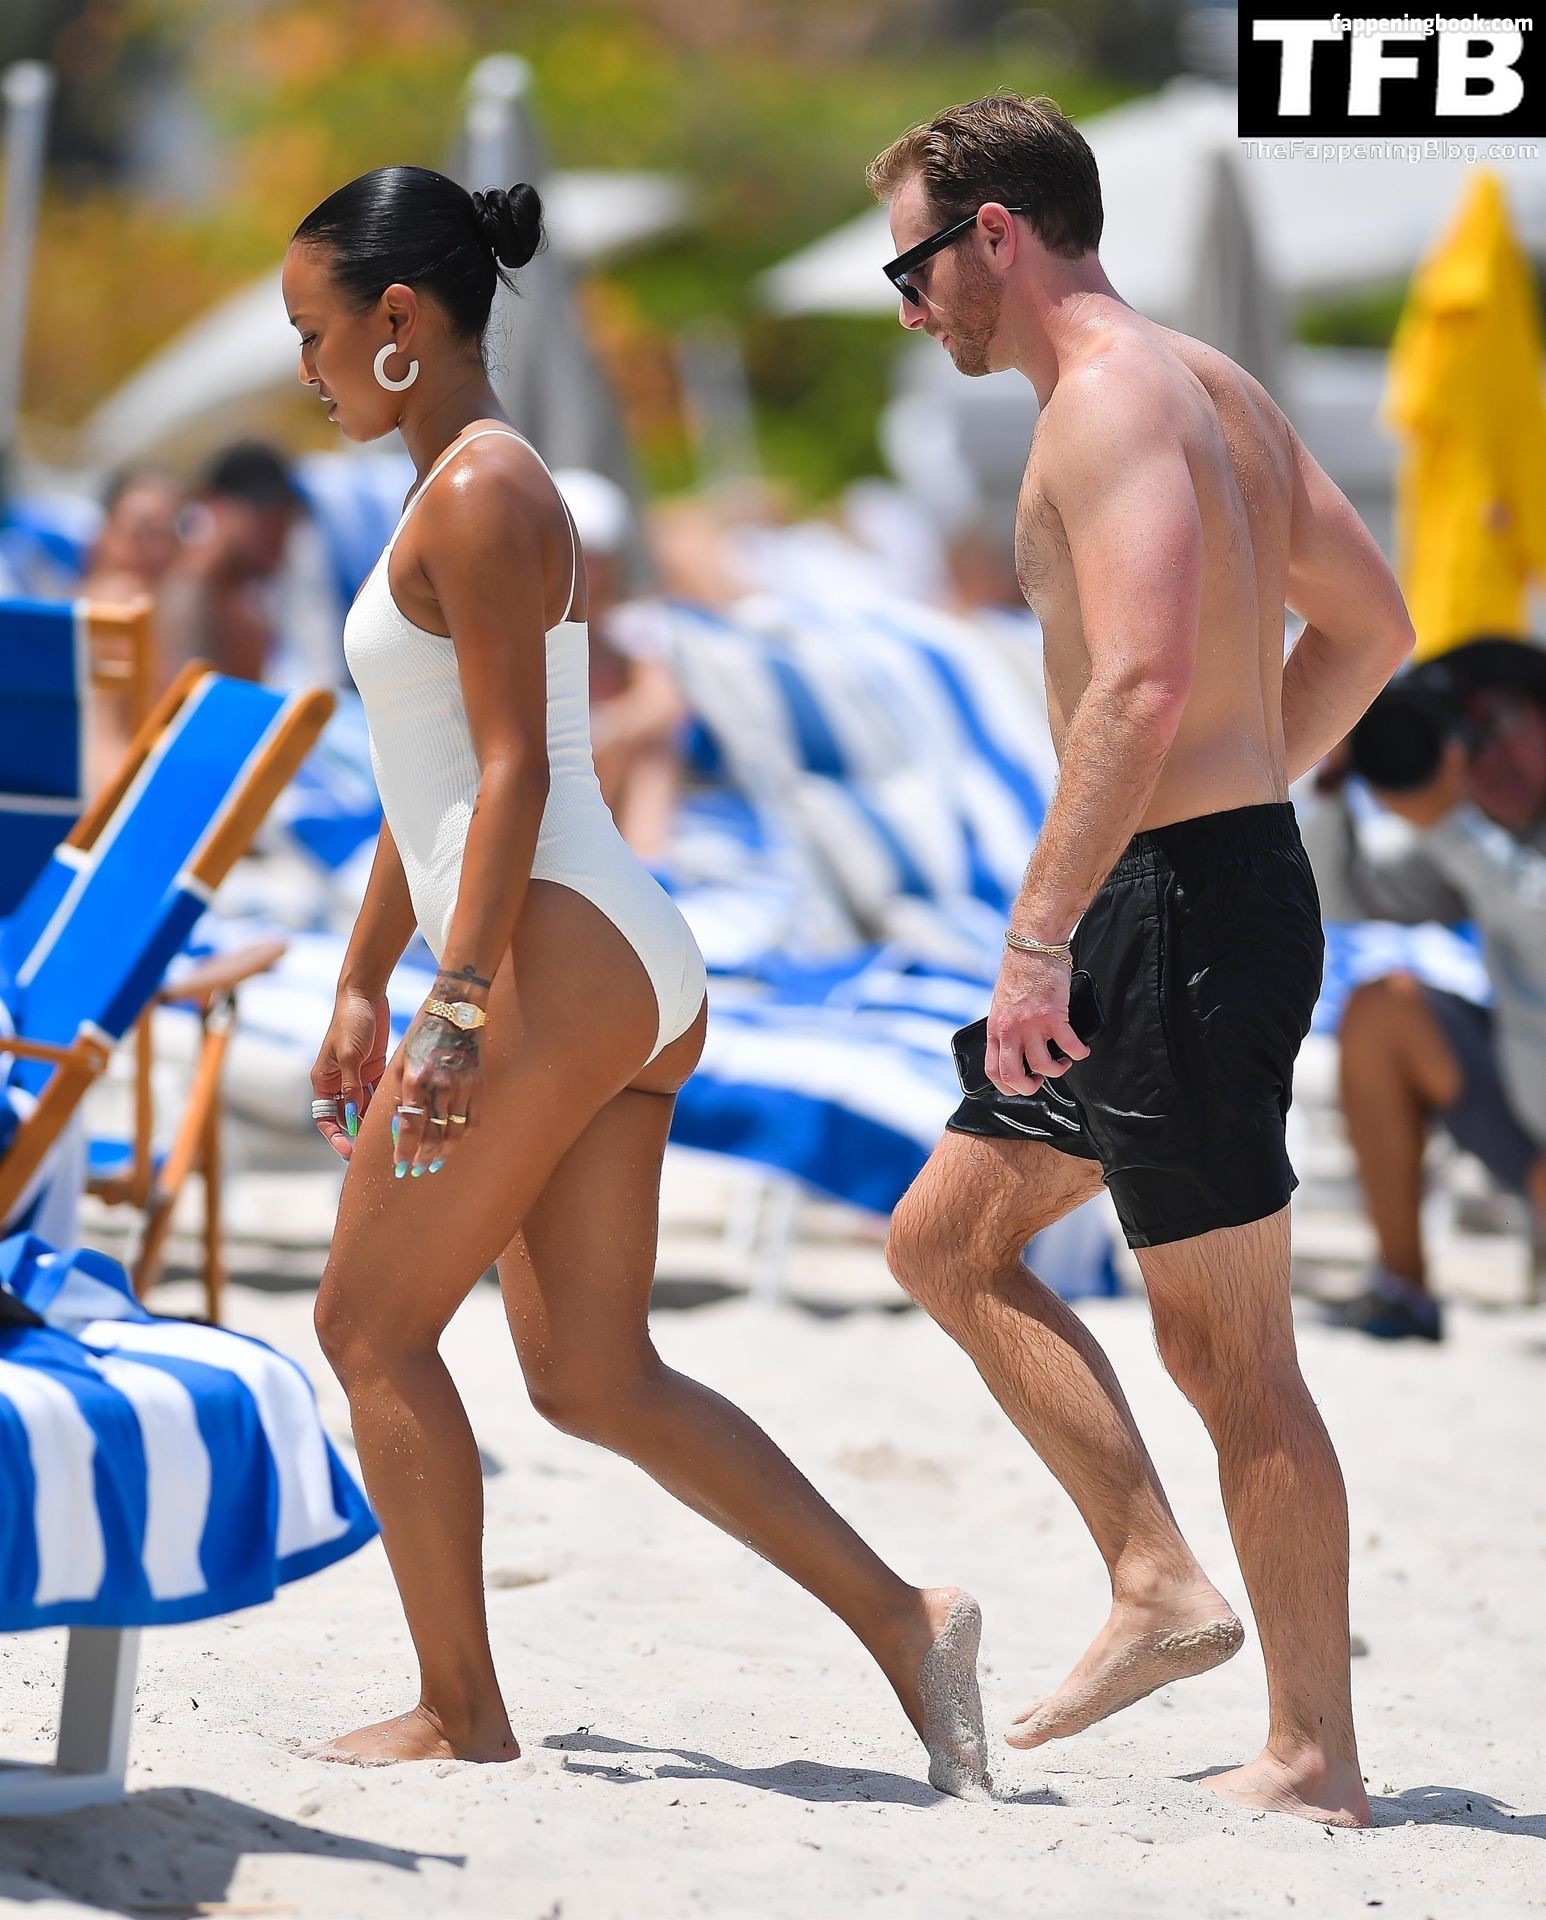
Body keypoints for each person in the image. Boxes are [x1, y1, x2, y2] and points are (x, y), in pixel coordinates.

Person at [282, 164, 987, 1791]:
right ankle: (906, 1619)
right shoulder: (465, 482)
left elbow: (514, 772)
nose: (305, 367)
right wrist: (365, 978)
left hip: (549, 949)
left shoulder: (477, 487)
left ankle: (460, 1710)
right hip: (600, 950)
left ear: (399, 319)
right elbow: (430, 774)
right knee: (593, 1375)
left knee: (369, 1326)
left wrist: (455, 1000)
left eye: (313, 331)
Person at [868, 94, 1415, 1828]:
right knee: (946, 1240)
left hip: (1170, 916)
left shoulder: (1105, 401)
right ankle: (1156, 1581)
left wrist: (1041, 939)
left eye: (911, 268)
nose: (911, 308)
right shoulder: (1212, 387)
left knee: (1231, 1353)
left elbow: (1140, 685)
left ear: (994, 234)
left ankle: (1312, 1755)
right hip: (1176, 893)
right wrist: (1242, 801)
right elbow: (1371, 625)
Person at [1301, 636, 1546, 1341]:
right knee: (1384, 1010)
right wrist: (1337, 781)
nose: (1482, 757)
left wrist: (1450, 825)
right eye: (1462, 735)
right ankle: (1402, 1290)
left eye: (1495, 723)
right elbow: (1338, 897)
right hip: (1526, 1118)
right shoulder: (1475, 837)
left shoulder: (1468, 837)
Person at [552, 466, 687, 859]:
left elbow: (665, 703)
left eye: (599, 560)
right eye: (581, 558)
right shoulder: (525, 637)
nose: (591, 574)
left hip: (605, 782)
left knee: (652, 752)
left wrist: (610, 732)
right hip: (556, 790)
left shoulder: (629, 630)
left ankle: (647, 862)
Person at [154, 440, 307, 686]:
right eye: (264, 516)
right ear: (214, 504)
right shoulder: (189, 596)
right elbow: (191, 706)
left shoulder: (246, 600)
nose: (278, 532)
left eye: (286, 516)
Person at [80, 463, 186, 786]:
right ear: (107, 531)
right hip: (118, 785)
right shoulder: (127, 603)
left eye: (168, 534)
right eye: (143, 532)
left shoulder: (80, 600)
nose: (158, 549)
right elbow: (159, 721)